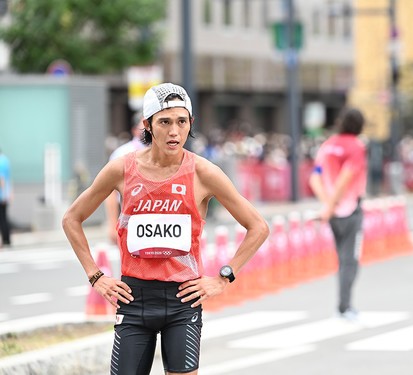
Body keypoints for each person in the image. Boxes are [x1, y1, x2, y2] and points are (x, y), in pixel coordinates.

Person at [62, 82, 269, 375]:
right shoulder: (121, 169)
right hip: (133, 298)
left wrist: (223, 278)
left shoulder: (203, 172)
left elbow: (258, 226)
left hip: (182, 301)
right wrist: (96, 276)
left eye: (181, 122)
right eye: (165, 122)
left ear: (190, 123)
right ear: (147, 125)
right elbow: (71, 219)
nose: (174, 131)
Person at [309, 107, 367, 321]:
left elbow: (315, 177)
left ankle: (344, 306)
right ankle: (345, 307)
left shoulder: (328, 145)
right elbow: (347, 176)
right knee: (349, 260)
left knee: (342, 258)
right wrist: (333, 205)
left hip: (332, 211)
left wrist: (327, 205)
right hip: (350, 209)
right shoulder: (357, 146)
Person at [104, 112, 147, 243]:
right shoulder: (122, 154)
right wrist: (112, 225)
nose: (148, 130)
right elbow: (110, 192)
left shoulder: (164, 152)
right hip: (128, 216)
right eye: (143, 126)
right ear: (134, 130)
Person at [0, 148, 12, 248]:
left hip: (1, 195)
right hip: (6, 194)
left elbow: (2, 179)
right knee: (5, 217)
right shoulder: (6, 160)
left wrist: (3, 194)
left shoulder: (0, 162)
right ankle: (7, 239)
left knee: (2, 219)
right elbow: (8, 178)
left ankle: (5, 240)